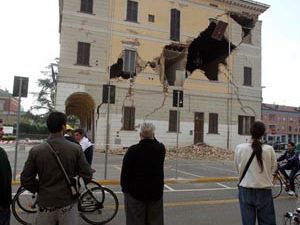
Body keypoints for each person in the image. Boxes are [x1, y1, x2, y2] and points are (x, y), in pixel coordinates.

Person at [21, 111, 93, 225]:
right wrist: (76, 186)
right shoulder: (75, 149)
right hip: (68, 202)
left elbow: (26, 179)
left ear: (48, 127)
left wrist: (40, 188)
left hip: (45, 203)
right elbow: (87, 174)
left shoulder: (36, 151)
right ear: (63, 127)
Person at [120, 123, 166, 225]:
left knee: (135, 220)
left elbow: (125, 172)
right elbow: (157, 142)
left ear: (140, 134)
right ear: (153, 134)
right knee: (155, 221)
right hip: (155, 193)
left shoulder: (133, 150)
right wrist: (152, 135)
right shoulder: (160, 149)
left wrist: (125, 190)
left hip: (135, 193)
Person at [234, 121, 277, 225]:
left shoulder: (240, 148)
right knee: (267, 222)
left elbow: (237, 168)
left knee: (248, 222)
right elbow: (274, 168)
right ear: (263, 133)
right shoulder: (269, 149)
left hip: (245, 189)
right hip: (264, 190)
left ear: (250, 132)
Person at [0, 120, 12, 225]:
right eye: (0, 129)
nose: (2, 132)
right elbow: (4, 181)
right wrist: (5, 204)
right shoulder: (1, 153)